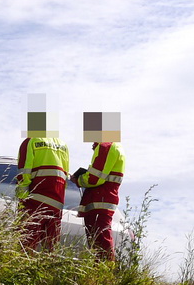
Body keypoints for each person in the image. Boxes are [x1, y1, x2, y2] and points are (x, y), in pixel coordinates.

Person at [16, 105, 69, 251]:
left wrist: (22, 200)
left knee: (27, 243)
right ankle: (48, 271)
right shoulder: (63, 145)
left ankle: (23, 272)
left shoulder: (31, 141)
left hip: (35, 199)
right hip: (57, 201)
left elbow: (24, 172)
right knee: (51, 245)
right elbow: (65, 174)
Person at [75, 112, 125, 261]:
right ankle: (102, 273)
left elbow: (94, 178)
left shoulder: (106, 146)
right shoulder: (114, 146)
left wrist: (78, 180)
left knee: (100, 238)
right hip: (103, 199)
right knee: (99, 238)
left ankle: (104, 273)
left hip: (100, 199)